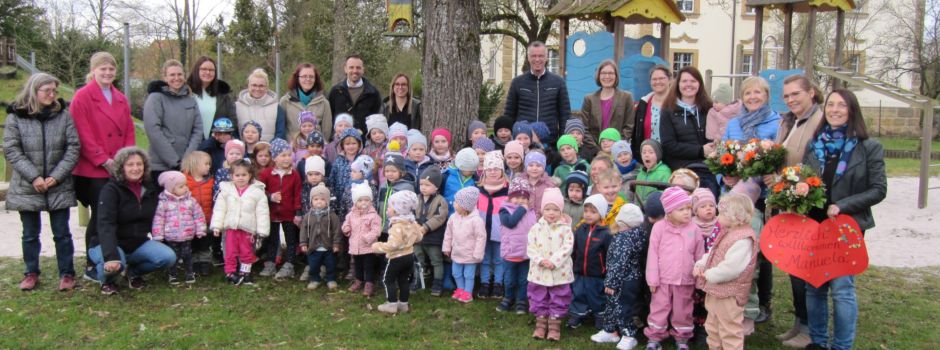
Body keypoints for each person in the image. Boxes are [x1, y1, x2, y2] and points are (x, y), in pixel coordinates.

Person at [801, 89, 887, 350]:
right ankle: (817, 342)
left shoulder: (868, 147)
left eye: (842, 105)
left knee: (841, 289)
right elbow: (806, 179)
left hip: (846, 228)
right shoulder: (815, 145)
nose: (835, 109)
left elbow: (878, 189)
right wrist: (799, 190)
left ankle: (841, 346)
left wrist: (843, 206)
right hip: (815, 225)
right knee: (814, 287)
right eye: (831, 104)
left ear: (852, 110)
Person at [5, 73, 80, 291]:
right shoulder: (15, 117)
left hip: (58, 183)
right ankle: (30, 272)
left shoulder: (64, 116)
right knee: (30, 233)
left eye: (54, 91)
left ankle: (67, 273)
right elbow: (12, 149)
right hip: (28, 185)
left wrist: (56, 177)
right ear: (34, 91)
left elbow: (73, 147)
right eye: (47, 90)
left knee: (62, 233)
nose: (52, 95)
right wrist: (34, 177)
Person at [70, 52, 135, 279]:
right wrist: (103, 159)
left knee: (116, 215)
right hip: (94, 169)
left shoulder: (120, 98)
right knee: (100, 217)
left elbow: (128, 130)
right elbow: (82, 134)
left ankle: (114, 258)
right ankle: (91, 262)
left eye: (111, 69)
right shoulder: (82, 97)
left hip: (117, 165)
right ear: (93, 71)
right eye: (102, 69)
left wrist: (126, 158)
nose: (107, 73)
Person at [771, 74, 825, 348]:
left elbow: (814, 166)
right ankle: (800, 322)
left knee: (807, 271)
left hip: (807, 205)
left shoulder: (819, 122)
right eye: (787, 95)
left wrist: (790, 185)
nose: (791, 99)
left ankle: (812, 329)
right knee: (794, 268)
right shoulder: (789, 121)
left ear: (811, 93)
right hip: (788, 201)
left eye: (796, 94)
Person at [87, 147, 177, 295]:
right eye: (130, 165)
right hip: (108, 243)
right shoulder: (110, 190)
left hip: (137, 243)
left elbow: (158, 216)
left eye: (139, 164)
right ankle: (107, 280)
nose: (135, 168)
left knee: (168, 257)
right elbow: (105, 225)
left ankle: (133, 272)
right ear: (121, 167)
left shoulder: (149, 188)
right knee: (115, 264)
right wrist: (111, 256)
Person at [693, 193, 759, 350]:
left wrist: (709, 274)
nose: (718, 216)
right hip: (716, 291)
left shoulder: (743, 240)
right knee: (713, 327)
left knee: (729, 330)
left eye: (722, 213)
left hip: (729, 294)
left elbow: (732, 268)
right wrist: (701, 264)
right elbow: (713, 253)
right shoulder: (728, 232)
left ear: (735, 216)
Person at [645, 186, 705, 350]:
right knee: (659, 309)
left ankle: (682, 339)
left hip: (685, 279)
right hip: (662, 280)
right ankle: (654, 338)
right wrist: (652, 279)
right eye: (681, 209)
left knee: (683, 311)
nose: (687, 212)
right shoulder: (659, 228)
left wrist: (699, 279)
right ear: (669, 211)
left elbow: (700, 256)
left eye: (688, 208)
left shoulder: (694, 229)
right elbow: (653, 254)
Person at [591, 204, 647, 350]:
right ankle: (610, 331)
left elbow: (619, 262)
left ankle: (629, 335)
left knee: (623, 308)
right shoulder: (639, 233)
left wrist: (611, 283)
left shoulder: (624, 238)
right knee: (612, 306)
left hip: (622, 280)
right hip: (631, 278)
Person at [659, 66, 718, 197]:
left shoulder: (709, 109)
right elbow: (669, 145)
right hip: (681, 166)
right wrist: (700, 150)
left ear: (699, 84)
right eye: (684, 81)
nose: (688, 85)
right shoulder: (668, 110)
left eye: (693, 81)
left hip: (707, 166)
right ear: (678, 84)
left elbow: (716, 135)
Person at [210, 159, 270, 286]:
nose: (241, 178)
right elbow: (220, 209)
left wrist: (262, 230)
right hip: (231, 227)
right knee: (230, 251)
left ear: (250, 175)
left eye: (244, 175)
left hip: (248, 228)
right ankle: (230, 272)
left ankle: (245, 272)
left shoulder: (257, 192)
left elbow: (262, 212)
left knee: (247, 251)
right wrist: (217, 225)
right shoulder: (226, 191)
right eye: (237, 175)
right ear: (232, 176)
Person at [143, 59, 204, 183]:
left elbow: (198, 130)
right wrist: (174, 161)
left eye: (179, 74)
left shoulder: (191, 99)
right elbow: (153, 130)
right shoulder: (156, 98)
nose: (176, 78)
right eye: (172, 75)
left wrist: (187, 159)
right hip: (161, 165)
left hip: (186, 166)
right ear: (165, 78)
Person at [526, 187, 574, 341]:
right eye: (548, 209)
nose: (551, 213)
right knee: (539, 296)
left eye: (555, 209)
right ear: (542, 210)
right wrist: (541, 260)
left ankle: (554, 326)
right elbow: (531, 248)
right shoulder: (535, 228)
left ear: (561, 211)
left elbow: (567, 247)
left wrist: (554, 261)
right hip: (539, 271)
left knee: (559, 297)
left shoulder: (566, 229)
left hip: (559, 271)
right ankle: (540, 324)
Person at [502, 41, 571, 143]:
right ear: (528, 57)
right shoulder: (517, 82)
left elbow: (565, 115)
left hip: (550, 142)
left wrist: (563, 141)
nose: (537, 59)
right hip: (523, 141)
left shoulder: (558, 82)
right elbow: (509, 115)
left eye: (541, 56)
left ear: (546, 57)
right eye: (533, 56)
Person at [257, 139, 303, 279]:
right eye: (283, 155)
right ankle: (270, 263)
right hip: (272, 214)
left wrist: (298, 212)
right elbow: (259, 191)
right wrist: (270, 197)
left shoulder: (294, 174)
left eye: (289, 155)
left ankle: (289, 264)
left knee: (291, 240)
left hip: (289, 214)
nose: (287, 158)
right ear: (275, 157)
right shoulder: (266, 174)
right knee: (273, 239)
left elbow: (297, 194)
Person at [372, 191, 424, 314]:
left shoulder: (397, 226)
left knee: (388, 280)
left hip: (396, 258)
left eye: (389, 207)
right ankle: (403, 304)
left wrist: (377, 246)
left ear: (397, 210)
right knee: (403, 280)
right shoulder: (412, 222)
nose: (387, 209)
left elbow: (393, 245)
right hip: (409, 256)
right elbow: (419, 238)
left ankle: (391, 304)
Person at [152, 171, 207, 285]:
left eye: (185, 185)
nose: (185, 188)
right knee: (173, 256)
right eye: (181, 186)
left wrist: (200, 229)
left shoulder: (190, 201)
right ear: (172, 189)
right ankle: (173, 274)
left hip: (187, 235)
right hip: (171, 236)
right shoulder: (164, 203)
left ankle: (189, 272)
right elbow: (159, 219)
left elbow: (198, 215)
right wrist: (158, 234)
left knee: (188, 255)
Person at [567, 194, 612, 330]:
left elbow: (609, 255)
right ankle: (577, 314)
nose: (588, 215)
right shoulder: (580, 229)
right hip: (580, 271)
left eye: (593, 212)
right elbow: (574, 249)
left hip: (597, 274)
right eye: (586, 211)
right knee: (578, 293)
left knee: (597, 296)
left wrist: (606, 270)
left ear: (602, 213)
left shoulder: (606, 233)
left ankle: (600, 316)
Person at [498, 176, 538, 314]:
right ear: (509, 197)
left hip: (525, 255)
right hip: (510, 253)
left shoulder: (532, 213)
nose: (520, 201)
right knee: (509, 280)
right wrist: (522, 209)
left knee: (523, 280)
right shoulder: (504, 210)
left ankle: (521, 300)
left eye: (523, 198)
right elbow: (510, 222)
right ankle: (508, 298)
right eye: (516, 197)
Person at [442, 186, 487, 303]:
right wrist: (446, 247)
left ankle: (468, 292)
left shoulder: (476, 220)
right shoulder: (453, 217)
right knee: (456, 273)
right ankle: (460, 289)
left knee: (468, 275)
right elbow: (448, 234)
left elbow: (481, 238)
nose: (454, 203)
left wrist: (478, 253)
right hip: (457, 252)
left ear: (465, 206)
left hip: (470, 255)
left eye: (456, 202)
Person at [581, 60, 636, 155]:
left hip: (619, 152)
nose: (607, 76)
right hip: (594, 152)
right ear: (598, 75)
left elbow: (629, 127)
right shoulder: (589, 99)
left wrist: (616, 147)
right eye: (603, 73)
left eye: (611, 73)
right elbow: (584, 128)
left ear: (616, 76)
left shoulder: (626, 97)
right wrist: (597, 150)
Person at [476, 151, 509, 299]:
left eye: (496, 169)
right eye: (489, 169)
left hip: (500, 231)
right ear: (484, 171)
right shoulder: (479, 190)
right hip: (483, 231)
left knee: (499, 259)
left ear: (502, 170)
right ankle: (484, 283)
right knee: (485, 258)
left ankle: (497, 283)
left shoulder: (508, 190)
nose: (493, 172)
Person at [299, 184, 342, 291]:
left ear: (327, 201)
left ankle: (331, 279)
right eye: (316, 199)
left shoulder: (332, 215)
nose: (319, 201)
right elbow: (303, 230)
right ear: (311, 201)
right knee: (313, 265)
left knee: (330, 265)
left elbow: (337, 230)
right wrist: (303, 243)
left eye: (322, 199)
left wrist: (336, 243)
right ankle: (315, 279)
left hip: (329, 246)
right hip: (313, 247)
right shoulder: (308, 216)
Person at [342, 183, 382, 297]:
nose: (363, 203)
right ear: (355, 202)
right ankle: (358, 280)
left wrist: (368, 237)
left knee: (368, 266)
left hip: (368, 247)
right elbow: (346, 223)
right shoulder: (351, 215)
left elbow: (376, 230)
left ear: (370, 201)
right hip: (355, 246)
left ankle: (369, 283)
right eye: (360, 200)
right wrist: (346, 228)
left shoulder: (373, 216)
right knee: (357, 264)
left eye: (366, 200)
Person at [328, 54, 383, 135]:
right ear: (345, 69)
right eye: (351, 67)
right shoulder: (335, 91)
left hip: (364, 143)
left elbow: (375, 121)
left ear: (363, 70)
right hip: (339, 143)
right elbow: (330, 118)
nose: (355, 71)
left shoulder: (373, 93)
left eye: (358, 68)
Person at [414, 167, 449, 296]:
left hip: (434, 237)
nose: (423, 187)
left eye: (427, 185)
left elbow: (440, 218)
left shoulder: (441, 200)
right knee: (418, 258)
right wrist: (415, 225)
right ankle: (418, 280)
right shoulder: (416, 198)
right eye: (421, 184)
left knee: (436, 260)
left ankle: (437, 283)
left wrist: (425, 227)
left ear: (436, 187)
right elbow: (411, 213)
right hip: (417, 237)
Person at [181, 151, 215, 275]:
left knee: (205, 242)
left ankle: (205, 262)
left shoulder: (211, 180)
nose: (209, 166)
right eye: (206, 164)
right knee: (193, 243)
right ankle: (194, 263)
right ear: (195, 165)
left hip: (207, 218)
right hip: (190, 221)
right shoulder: (184, 181)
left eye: (209, 164)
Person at [187, 56, 236, 139]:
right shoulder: (186, 92)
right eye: (204, 69)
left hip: (216, 144)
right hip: (191, 144)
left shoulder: (223, 95)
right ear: (196, 70)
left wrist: (221, 135)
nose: (208, 72)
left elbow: (232, 120)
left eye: (211, 70)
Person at [280, 63, 332, 138]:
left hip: (315, 148)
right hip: (292, 147)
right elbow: (282, 129)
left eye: (311, 77)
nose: (308, 79)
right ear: (297, 78)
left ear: (315, 79)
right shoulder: (285, 101)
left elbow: (326, 132)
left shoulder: (324, 103)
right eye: (304, 76)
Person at [723, 76, 781, 142]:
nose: (752, 97)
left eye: (757, 92)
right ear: (742, 98)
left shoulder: (778, 124)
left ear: (766, 96)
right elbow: (722, 150)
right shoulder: (732, 124)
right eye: (747, 93)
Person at [235, 68, 287, 141]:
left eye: (261, 86)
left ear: (267, 87)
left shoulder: (276, 108)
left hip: (268, 151)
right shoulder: (236, 107)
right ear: (248, 86)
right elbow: (234, 133)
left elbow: (280, 133)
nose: (257, 88)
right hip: (242, 151)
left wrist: (266, 150)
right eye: (254, 85)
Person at [631, 65, 672, 156]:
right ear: (650, 82)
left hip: (672, 156)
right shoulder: (643, 104)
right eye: (654, 79)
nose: (657, 82)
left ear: (669, 80)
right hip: (648, 158)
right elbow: (637, 133)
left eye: (661, 78)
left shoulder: (678, 104)